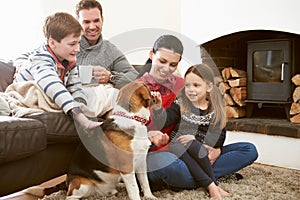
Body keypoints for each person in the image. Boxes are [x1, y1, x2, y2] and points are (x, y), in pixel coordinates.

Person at [136, 35, 258, 191]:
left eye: (173, 64)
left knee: (248, 149)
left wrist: (216, 149)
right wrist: (148, 135)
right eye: (162, 61)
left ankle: (196, 177)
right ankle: (209, 179)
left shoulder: (183, 84)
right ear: (152, 55)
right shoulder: (134, 89)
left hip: (197, 150)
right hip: (163, 152)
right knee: (170, 167)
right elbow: (125, 130)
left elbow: (218, 126)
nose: (166, 68)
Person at [14, 0, 138, 89]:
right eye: (86, 22)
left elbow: (135, 76)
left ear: (102, 20)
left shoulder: (110, 50)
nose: (92, 26)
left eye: (96, 21)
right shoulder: (64, 43)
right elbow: (30, 56)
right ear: (78, 22)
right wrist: (22, 64)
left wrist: (111, 77)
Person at [151, 64, 231, 199]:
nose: (190, 90)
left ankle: (195, 175)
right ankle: (212, 184)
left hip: (204, 151)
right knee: (184, 147)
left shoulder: (215, 108)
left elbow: (220, 137)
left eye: (196, 85)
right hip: (179, 148)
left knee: (247, 149)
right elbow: (164, 122)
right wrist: (158, 108)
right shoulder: (180, 103)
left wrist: (205, 144)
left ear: (209, 87)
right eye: (187, 85)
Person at [13, 12, 100, 130]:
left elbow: (75, 87)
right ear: (52, 43)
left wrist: (82, 107)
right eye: (72, 44)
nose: (78, 49)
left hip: (54, 92)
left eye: (79, 42)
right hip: (27, 95)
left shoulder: (69, 59)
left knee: (86, 93)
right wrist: (80, 117)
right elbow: (53, 85)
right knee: (54, 90)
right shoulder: (40, 59)